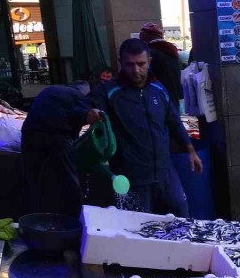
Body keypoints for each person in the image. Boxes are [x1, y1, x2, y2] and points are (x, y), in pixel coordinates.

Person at [79, 38, 203, 217]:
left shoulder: (158, 89)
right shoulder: (109, 91)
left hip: (165, 173)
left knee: (180, 214)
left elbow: (174, 122)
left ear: (149, 62)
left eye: (141, 64)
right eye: (130, 64)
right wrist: (88, 113)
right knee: (140, 226)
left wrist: (190, 150)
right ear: (121, 63)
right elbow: (81, 106)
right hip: (132, 178)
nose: (136, 70)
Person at [22, 80, 92, 218]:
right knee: (70, 180)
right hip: (58, 135)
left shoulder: (53, 89)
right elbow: (76, 129)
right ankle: (75, 217)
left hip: (29, 133)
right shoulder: (82, 98)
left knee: (31, 179)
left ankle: (31, 218)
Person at [139, 22, 183, 104]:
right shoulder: (171, 51)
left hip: (158, 98)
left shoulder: (149, 53)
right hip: (175, 96)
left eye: (142, 35)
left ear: (147, 36)